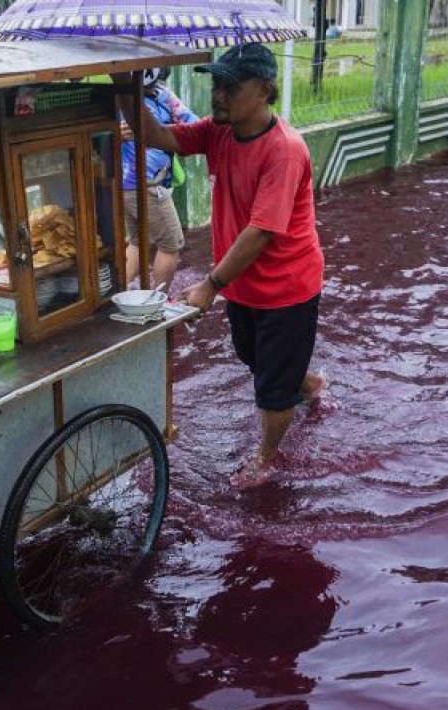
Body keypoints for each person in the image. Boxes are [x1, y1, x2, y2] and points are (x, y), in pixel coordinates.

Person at [117, 44, 326, 488]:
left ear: (265, 90)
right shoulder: (219, 132)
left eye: (230, 85)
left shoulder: (284, 149)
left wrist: (210, 284)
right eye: (216, 84)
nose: (219, 94)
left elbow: (261, 231)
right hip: (244, 284)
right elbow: (161, 138)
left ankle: (266, 458)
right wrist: (123, 86)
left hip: (288, 286)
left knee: (270, 390)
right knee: (254, 357)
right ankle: (306, 382)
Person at [119, 68, 198, 289]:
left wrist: (166, 128)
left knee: (139, 241)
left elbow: (193, 123)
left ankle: (119, 293)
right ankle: (159, 302)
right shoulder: (127, 100)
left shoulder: (159, 95)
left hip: (128, 186)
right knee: (171, 244)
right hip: (147, 186)